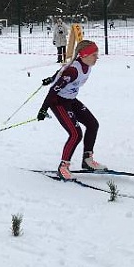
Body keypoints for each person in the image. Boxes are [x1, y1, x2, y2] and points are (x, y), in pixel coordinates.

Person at [37, 39, 106, 180]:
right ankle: (63, 167)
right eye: (94, 54)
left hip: (71, 100)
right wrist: (43, 109)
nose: (97, 57)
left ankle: (87, 160)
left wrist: (51, 77)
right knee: (76, 134)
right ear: (84, 55)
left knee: (93, 124)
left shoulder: (86, 65)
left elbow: (61, 71)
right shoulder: (73, 71)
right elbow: (53, 91)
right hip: (58, 102)